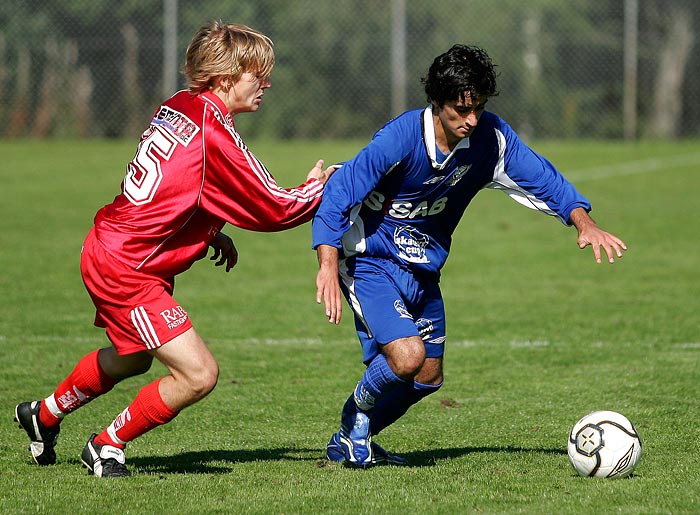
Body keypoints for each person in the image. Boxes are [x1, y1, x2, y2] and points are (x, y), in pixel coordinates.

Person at [14, 21, 336, 478]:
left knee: (133, 356)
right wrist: (319, 189)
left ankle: (43, 415)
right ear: (226, 79)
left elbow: (176, 185)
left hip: (114, 246)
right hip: (128, 267)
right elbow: (273, 208)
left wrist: (205, 230)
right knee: (199, 373)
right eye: (256, 74)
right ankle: (106, 446)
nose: (265, 83)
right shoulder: (213, 132)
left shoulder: (181, 106)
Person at [313, 44, 627, 468]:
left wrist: (582, 220)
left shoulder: (489, 139)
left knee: (428, 376)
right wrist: (328, 267)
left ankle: (353, 437)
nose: (471, 119)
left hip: (423, 270)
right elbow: (339, 193)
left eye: (478, 107)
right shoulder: (400, 139)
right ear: (437, 103)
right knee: (407, 358)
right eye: (461, 110)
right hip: (371, 259)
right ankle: (354, 422)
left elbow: (542, 176)